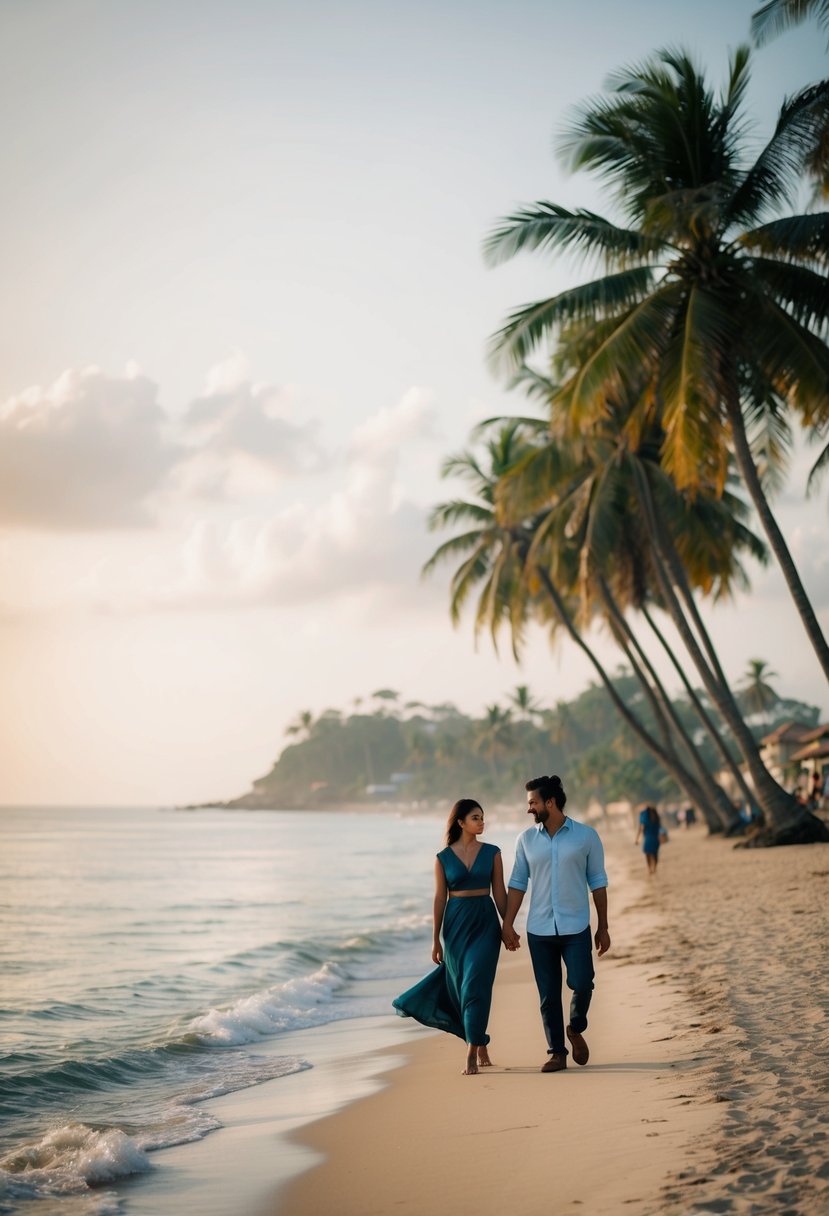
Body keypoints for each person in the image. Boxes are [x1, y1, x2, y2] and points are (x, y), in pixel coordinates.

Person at [501, 775, 609, 1074]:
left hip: (576, 927)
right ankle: (556, 1052)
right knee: (548, 995)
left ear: (550, 802)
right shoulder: (525, 840)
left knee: (583, 982)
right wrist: (507, 924)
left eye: (533, 802)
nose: (529, 809)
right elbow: (518, 884)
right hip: (539, 929)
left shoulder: (586, 836)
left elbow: (598, 883)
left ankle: (575, 1027)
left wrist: (603, 926)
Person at [393, 798, 507, 1075]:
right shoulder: (442, 858)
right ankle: (479, 1040)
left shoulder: (492, 852)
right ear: (461, 822)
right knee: (460, 987)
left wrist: (509, 926)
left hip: (485, 922)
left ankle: (471, 1052)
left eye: (482, 817)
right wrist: (435, 940)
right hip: (455, 926)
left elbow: (500, 893)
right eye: (476, 818)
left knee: (476, 985)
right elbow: (439, 898)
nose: (482, 822)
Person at [635, 804, 662, 875]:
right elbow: (659, 828)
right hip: (655, 839)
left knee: (647, 854)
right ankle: (655, 868)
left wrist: (637, 839)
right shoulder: (656, 817)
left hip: (648, 839)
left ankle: (649, 868)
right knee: (655, 854)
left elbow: (641, 828)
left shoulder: (644, 817)